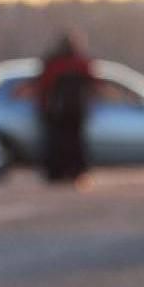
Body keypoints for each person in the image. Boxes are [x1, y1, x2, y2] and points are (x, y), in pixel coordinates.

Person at [33, 30, 95, 183]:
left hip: (57, 111)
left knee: (56, 143)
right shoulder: (80, 63)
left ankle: (57, 173)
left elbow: (42, 86)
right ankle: (74, 172)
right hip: (73, 111)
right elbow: (93, 84)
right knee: (73, 143)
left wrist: (43, 107)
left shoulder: (53, 63)